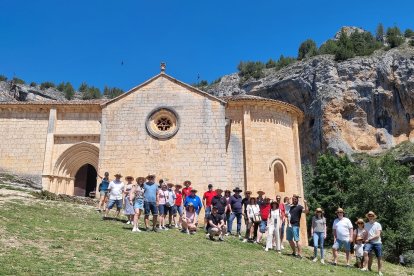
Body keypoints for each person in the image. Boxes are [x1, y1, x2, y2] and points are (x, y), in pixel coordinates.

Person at [287, 194, 309, 258]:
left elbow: (306, 211)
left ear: (297, 200)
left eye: (295, 199)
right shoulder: (290, 207)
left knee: (297, 240)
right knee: (289, 239)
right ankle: (294, 252)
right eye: (293, 199)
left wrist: (305, 203)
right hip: (289, 225)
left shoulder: (299, 207)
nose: (294, 200)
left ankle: (300, 254)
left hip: (295, 225)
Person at [361, 211, 383, 275]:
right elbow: (366, 234)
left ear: (374, 217)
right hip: (369, 242)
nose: (370, 217)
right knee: (365, 252)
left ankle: (379, 271)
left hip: (377, 242)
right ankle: (365, 267)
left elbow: (378, 235)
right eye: (369, 216)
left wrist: (369, 239)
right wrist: (363, 238)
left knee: (379, 257)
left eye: (372, 216)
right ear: (368, 217)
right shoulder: (366, 224)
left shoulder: (378, 224)